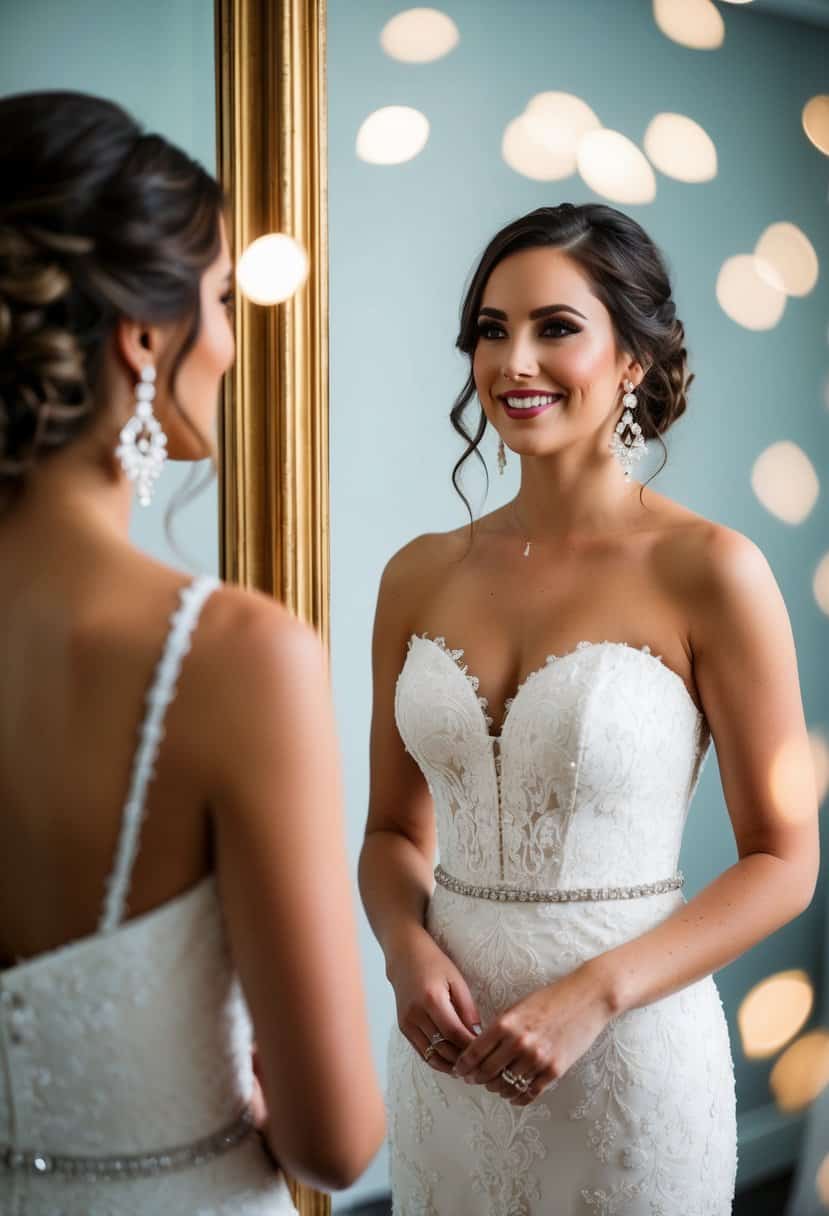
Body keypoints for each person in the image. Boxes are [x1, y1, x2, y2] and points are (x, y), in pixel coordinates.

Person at [359, 203, 819, 1214]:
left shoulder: (712, 571)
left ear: (631, 360)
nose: (513, 361)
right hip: (450, 1065)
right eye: (490, 329)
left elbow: (783, 860)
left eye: (554, 327)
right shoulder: (417, 575)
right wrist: (403, 949)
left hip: (626, 1058)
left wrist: (593, 995)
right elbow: (392, 830)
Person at [0, 90, 384, 1215]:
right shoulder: (233, 655)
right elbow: (336, 1140)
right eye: (220, 298)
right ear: (143, 337)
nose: (228, 337)